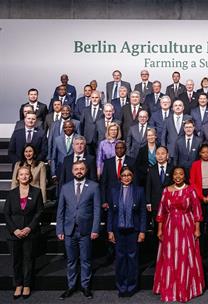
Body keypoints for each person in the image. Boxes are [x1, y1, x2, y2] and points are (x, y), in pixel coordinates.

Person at [153, 167, 204, 302]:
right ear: (172, 176)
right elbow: (161, 212)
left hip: (187, 226)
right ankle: (171, 289)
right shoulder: (166, 190)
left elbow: (197, 210)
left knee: (185, 257)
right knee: (170, 257)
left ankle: (186, 289)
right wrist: (159, 229)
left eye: (181, 174)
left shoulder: (190, 190)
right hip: (169, 228)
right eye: (175, 174)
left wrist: (197, 229)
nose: (178, 176)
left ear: (184, 176)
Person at [57, 161, 101, 300]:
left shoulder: (94, 186)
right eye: (76, 169)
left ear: (86, 170)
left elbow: (97, 209)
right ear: (72, 171)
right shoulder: (65, 187)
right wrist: (59, 229)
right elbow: (60, 211)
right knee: (71, 260)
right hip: (69, 230)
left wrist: (95, 229)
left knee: (86, 260)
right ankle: (71, 286)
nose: (79, 171)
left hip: (86, 230)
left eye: (82, 168)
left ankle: (85, 287)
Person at [4, 166, 44, 299]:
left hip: (30, 232)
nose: (24, 176)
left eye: (26, 174)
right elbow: (6, 213)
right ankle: (18, 284)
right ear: (17, 177)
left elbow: (39, 213)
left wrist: (29, 228)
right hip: (14, 233)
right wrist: (14, 230)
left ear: (30, 176)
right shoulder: (11, 193)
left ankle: (27, 285)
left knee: (28, 259)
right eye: (21, 174)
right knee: (16, 260)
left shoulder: (37, 192)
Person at [107, 167, 146, 297]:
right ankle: (122, 287)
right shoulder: (114, 191)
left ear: (132, 176)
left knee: (132, 258)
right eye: (124, 175)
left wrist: (142, 231)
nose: (126, 177)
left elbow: (142, 213)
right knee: (120, 259)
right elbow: (111, 213)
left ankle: (132, 286)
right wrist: (110, 230)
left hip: (133, 230)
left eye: (129, 175)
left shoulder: (139, 190)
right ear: (120, 177)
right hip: (118, 230)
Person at [80, 91, 104, 155]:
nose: (94, 99)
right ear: (90, 98)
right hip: (87, 139)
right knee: (89, 160)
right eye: (93, 97)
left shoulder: (104, 109)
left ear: (100, 98)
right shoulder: (85, 110)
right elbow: (82, 125)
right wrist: (82, 138)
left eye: (96, 97)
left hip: (100, 139)